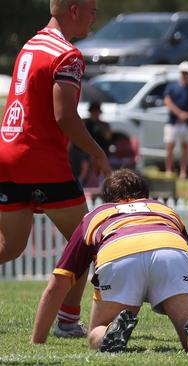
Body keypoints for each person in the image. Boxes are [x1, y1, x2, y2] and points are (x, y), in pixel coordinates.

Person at [31, 169, 188, 359]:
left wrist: (37, 341)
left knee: (97, 331)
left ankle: (108, 333)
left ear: (109, 200)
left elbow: (58, 283)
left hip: (119, 253)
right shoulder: (163, 209)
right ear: (146, 196)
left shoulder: (95, 215)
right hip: (170, 251)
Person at [0, 0, 111, 338]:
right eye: (91, 11)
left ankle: (66, 318)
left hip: (8, 150)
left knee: (10, 247)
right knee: (87, 241)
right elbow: (64, 116)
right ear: (73, 10)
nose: (95, 18)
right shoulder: (67, 54)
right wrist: (97, 153)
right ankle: (66, 320)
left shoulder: (31, 45)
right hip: (41, 159)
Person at [164, 61, 188, 179]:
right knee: (170, 145)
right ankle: (169, 170)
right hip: (173, 121)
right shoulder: (172, 87)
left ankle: (183, 172)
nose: (185, 75)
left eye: (187, 73)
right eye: (184, 73)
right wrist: (179, 113)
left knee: (185, 147)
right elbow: (167, 101)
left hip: (187, 123)